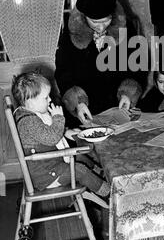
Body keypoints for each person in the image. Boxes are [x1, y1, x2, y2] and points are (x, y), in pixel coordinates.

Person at [11, 72, 110, 203]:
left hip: (52, 163)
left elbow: (44, 132)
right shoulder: (28, 122)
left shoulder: (30, 114)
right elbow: (51, 138)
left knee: (80, 157)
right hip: (47, 175)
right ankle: (108, 192)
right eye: (45, 98)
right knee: (80, 170)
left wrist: (65, 131)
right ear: (30, 101)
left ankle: (99, 175)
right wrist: (58, 118)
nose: (50, 100)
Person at [55, 0, 144, 128]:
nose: (101, 27)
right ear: (84, 17)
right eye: (95, 22)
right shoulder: (72, 34)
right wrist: (78, 103)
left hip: (117, 106)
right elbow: (63, 72)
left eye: (106, 21)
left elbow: (138, 65)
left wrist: (127, 94)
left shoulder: (127, 30)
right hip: (84, 109)